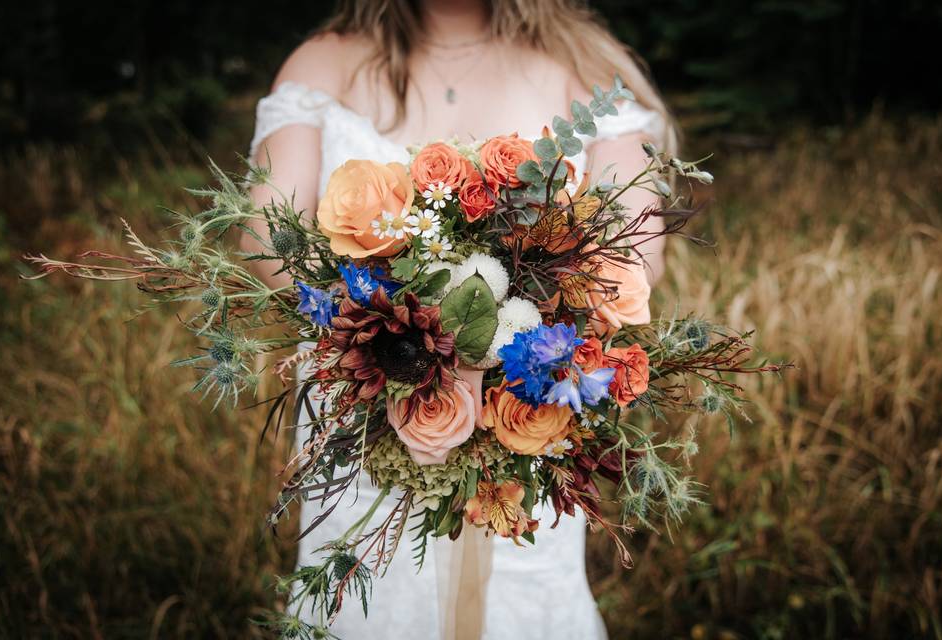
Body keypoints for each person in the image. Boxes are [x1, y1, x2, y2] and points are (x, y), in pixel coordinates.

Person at [243, 1, 676, 637]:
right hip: (361, 425)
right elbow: (266, 246)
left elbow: (633, 257)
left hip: (523, 426)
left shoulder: (582, 65)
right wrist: (399, 316)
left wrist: (491, 335)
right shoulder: (324, 63)